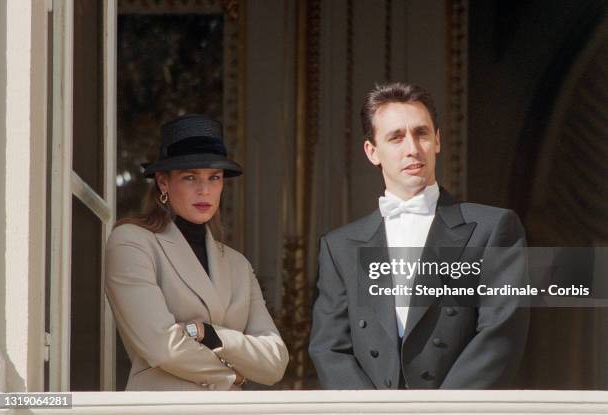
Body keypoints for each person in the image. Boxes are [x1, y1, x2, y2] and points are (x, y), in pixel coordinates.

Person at [309, 82, 529, 389]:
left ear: (437, 140)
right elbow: (329, 347)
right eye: (396, 137)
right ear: (372, 152)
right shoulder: (340, 246)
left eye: (421, 133)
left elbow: (501, 332)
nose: (412, 148)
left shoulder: (492, 228)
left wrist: (440, 411)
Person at [106, 114, 288, 391]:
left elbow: (275, 362)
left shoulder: (237, 264)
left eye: (214, 177)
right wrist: (234, 376)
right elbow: (162, 346)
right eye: (190, 177)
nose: (204, 190)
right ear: (163, 183)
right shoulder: (132, 242)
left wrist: (210, 334)